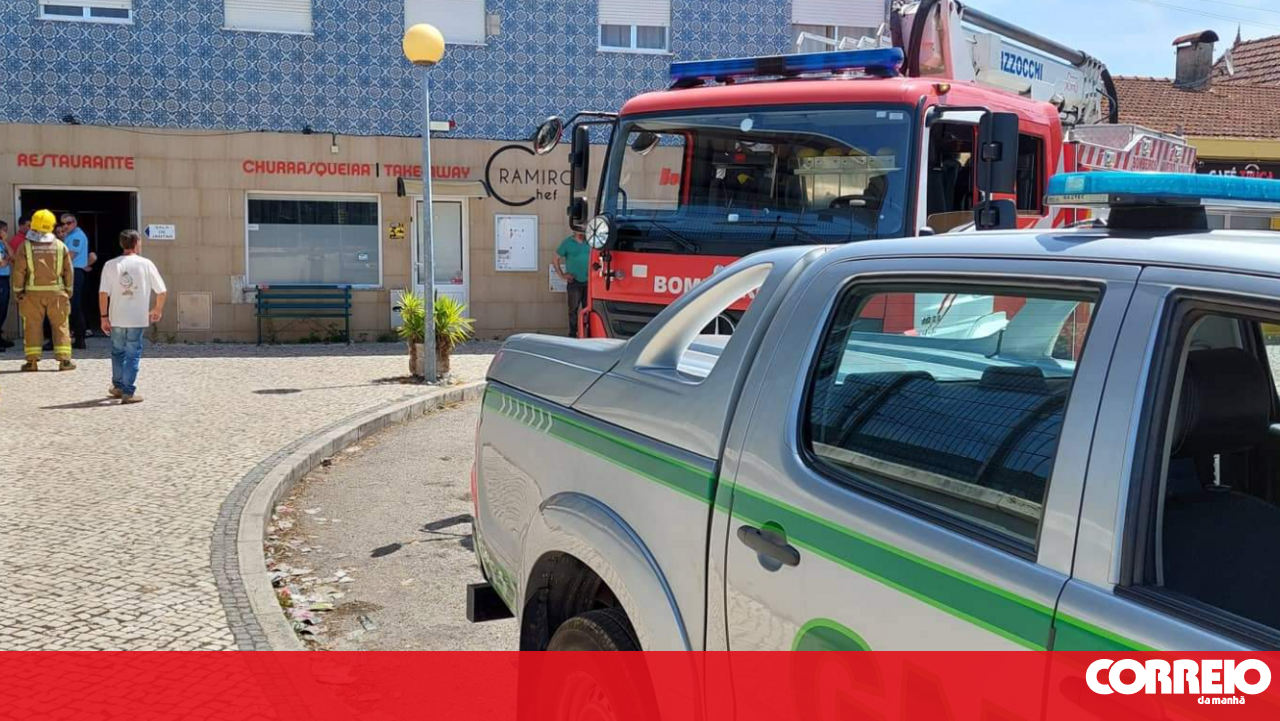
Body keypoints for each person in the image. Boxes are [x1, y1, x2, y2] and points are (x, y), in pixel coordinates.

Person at [100, 229, 166, 404]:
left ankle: (118, 386)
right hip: (137, 318)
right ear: (136, 243)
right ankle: (128, 392)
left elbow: (103, 293)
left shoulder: (110, 265)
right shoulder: (146, 264)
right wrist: (157, 309)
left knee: (117, 352)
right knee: (132, 354)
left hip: (117, 317)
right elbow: (161, 291)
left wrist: (104, 317)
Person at [10, 209, 75, 371]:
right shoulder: (60, 246)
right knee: (61, 325)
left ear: (34, 225)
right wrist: (68, 290)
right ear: (51, 225)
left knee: (32, 326)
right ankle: (64, 361)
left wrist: (18, 292)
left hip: (32, 294)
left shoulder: (25, 246)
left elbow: (19, 271)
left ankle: (32, 362)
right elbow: (68, 271)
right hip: (57, 293)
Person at [61, 213, 93, 350]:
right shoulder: (69, 236)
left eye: (68, 223)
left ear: (75, 223)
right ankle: (77, 338)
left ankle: (80, 339)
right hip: (71, 272)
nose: (65, 226)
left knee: (74, 306)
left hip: (74, 273)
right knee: (71, 305)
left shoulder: (77, 236)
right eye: (63, 223)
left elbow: (70, 256)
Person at [555, 231, 590, 338]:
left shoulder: (591, 241)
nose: (583, 231)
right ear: (575, 230)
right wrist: (562, 275)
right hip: (574, 282)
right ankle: (573, 334)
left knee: (589, 310)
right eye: (580, 229)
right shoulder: (567, 242)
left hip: (590, 282)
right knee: (573, 310)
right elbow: (555, 258)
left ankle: (588, 334)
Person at [0, 221, 12, 350]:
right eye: (4, 230)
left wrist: (5, 242)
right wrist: (7, 258)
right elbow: (2, 264)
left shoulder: (2, 244)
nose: (6, 233)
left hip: (4, 279)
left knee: (3, 310)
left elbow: (12, 255)